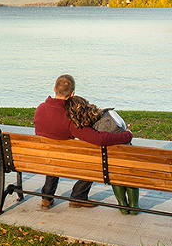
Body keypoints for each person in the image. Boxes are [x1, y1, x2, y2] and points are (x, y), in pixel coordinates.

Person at [34, 73, 134, 211]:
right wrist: (126, 136)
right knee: (96, 158)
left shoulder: (40, 109)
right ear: (72, 93)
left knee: (54, 152)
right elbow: (98, 138)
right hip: (67, 161)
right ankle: (78, 196)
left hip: (42, 158)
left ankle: (46, 196)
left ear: (54, 89)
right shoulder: (69, 116)